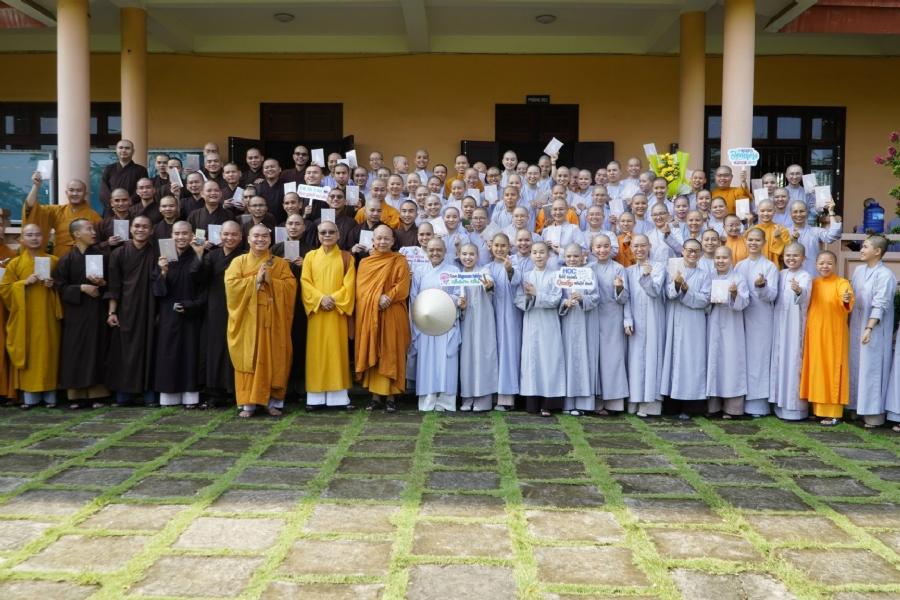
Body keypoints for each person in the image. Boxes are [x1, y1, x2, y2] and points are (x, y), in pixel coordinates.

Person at [226, 225, 297, 417]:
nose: (260, 239)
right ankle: (247, 403)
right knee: (249, 356)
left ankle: (271, 402)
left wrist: (270, 281)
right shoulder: (238, 262)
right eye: (256, 236)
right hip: (248, 320)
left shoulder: (280, 263)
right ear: (248, 239)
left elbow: (291, 287)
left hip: (273, 319)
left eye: (265, 236)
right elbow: (231, 286)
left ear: (270, 240)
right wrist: (255, 281)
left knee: (274, 357)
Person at [0, 224, 63, 409]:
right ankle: (29, 398)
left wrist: (54, 285)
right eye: (30, 235)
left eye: (38, 234)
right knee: (29, 354)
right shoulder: (15, 263)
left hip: (47, 317)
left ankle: (51, 396)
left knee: (48, 354)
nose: (34, 238)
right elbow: (4, 289)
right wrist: (23, 284)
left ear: (44, 239)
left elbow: (64, 286)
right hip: (25, 319)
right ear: (23, 239)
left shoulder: (53, 261)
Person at [301, 221, 357, 412]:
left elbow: (349, 285)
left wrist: (332, 299)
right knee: (316, 354)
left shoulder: (347, 257)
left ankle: (338, 398)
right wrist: (320, 299)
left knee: (337, 352)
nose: (327, 235)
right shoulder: (310, 257)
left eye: (331, 232)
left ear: (338, 235)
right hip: (317, 312)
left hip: (336, 312)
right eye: (323, 232)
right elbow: (305, 283)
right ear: (318, 236)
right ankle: (314, 398)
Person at [355, 225, 410, 412]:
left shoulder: (399, 260)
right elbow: (361, 290)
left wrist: (388, 297)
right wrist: (376, 298)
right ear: (372, 241)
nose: (383, 242)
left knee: (392, 350)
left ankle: (392, 397)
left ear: (393, 241)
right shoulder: (365, 263)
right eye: (379, 238)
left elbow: (403, 285)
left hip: (393, 311)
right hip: (373, 313)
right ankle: (375, 397)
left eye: (387, 238)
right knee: (375, 349)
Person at [55, 219, 109, 410]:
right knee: (75, 351)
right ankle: (75, 395)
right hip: (76, 313)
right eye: (89, 229)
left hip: (97, 311)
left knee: (97, 348)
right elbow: (60, 286)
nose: (93, 232)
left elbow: (112, 284)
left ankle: (97, 394)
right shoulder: (67, 260)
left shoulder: (103, 256)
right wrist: (81, 288)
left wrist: (102, 284)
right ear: (77, 234)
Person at [105, 215, 159, 407]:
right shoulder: (118, 254)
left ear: (152, 231)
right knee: (124, 350)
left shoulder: (157, 253)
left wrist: (159, 312)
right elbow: (114, 284)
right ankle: (124, 395)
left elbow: (163, 284)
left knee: (149, 350)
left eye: (145, 226)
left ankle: (149, 393)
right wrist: (112, 312)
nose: (141, 229)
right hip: (126, 308)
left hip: (150, 308)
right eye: (137, 226)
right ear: (130, 229)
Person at [151, 222, 204, 408]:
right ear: (171, 235)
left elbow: (203, 285)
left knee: (190, 353)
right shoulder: (165, 259)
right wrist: (163, 271)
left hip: (192, 313)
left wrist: (191, 306)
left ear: (192, 235)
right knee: (168, 352)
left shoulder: (197, 256)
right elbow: (157, 291)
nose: (181, 237)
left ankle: (190, 397)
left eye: (185, 233)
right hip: (168, 314)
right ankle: (168, 396)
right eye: (177, 234)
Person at [193, 220, 244, 408]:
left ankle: (240, 391)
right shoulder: (211, 255)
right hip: (215, 306)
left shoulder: (244, 257)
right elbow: (198, 277)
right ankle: (215, 393)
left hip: (239, 308)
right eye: (226, 234)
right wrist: (199, 254)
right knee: (214, 349)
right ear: (220, 236)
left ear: (240, 237)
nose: (230, 238)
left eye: (234, 234)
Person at [800, 251, 854, 426]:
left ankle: (833, 413)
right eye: (821, 263)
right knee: (817, 370)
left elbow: (846, 299)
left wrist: (846, 299)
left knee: (831, 370)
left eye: (829, 263)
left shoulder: (842, 283)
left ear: (836, 265)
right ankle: (817, 410)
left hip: (833, 334)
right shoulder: (813, 283)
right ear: (816, 265)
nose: (825, 266)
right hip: (815, 333)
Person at [848, 236, 896, 428]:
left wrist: (869, 328)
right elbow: (853, 296)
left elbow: (881, 304)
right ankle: (856, 408)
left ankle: (873, 414)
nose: (861, 249)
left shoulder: (885, 275)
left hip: (874, 330)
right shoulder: (859, 270)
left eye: (865, 247)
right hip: (856, 325)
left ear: (877, 251)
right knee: (856, 365)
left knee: (872, 369)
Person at [661, 238, 711, 420]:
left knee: (691, 361)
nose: (692, 254)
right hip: (674, 318)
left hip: (693, 323)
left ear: (701, 254)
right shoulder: (672, 270)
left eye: (696, 251)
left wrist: (687, 290)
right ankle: (671, 405)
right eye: (689, 250)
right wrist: (676, 284)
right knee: (673, 360)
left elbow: (705, 300)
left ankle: (690, 406)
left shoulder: (705, 275)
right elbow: (668, 293)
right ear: (682, 251)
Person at [410, 238, 462, 411]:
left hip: (446, 322)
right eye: (431, 250)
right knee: (427, 361)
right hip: (425, 323)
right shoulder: (420, 271)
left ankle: (446, 401)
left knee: (446, 361)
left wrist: (445, 303)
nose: (435, 253)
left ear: (445, 251)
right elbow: (414, 297)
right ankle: (428, 400)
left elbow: (458, 294)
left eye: (439, 250)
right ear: (426, 251)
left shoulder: (453, 270)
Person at [516, 242, 565, 416]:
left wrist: (538, 295)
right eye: (535, 252)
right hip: (531, 321)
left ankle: (549, 403)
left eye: (541, 252)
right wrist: (528, 298)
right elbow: (518, 300)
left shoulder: (554, 276)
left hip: (549, 323)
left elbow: (556, 300)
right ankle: (532, 402)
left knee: (549, 359)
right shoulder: (525, 275)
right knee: (532, 359)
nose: (538, 256)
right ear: (530, 255)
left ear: (548, 255)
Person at [734, 228, 779, 417]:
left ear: (764, 243)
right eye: (750, 240)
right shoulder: (739, 266)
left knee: (759, 358)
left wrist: (762, 287)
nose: (753, 243)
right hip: (741, 316)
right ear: (745, 242)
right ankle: (739, 401)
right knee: (743, 358)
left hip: (761, 318)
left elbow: (773, 295)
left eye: (757, 240)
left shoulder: (770, 267)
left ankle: (758, 405)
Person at [271, 214, 314, 399]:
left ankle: (301, 385)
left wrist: (305, 265)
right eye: (290, 223)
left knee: (301, 341)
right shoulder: (276, 249)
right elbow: (266, 271)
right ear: (285, 227)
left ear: (304, 228)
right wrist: (280, 266)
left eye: (298, 224)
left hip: (302, 303)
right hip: (280, 303)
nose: (294, 227)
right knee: (281, 342)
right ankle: (283, 384)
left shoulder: (311, 251)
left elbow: (319, 275)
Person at [706, 246, 750, 418]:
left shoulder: (738, 278)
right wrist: (710, 300)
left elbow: (744, 301)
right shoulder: (709, 277)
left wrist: (733, 294)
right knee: (714, 362)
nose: (721, 261)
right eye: (717, 258)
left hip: (732, 325)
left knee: (731, 363)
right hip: (713, 323)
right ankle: (714, 407)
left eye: (724, 258)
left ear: (731, 259)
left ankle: (733, 409)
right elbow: (702, 299)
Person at [770, 243, 813, 420]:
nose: (791, 259)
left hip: (796, 324)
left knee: (794, 361)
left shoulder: (805, 276)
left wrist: (798, 291)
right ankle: (779, 405)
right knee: (780, 361)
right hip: (780, 322)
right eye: (788, 255)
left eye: (795, 256)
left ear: (803, 258)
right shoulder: (781, 274)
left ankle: (795, 408)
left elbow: (805, 296)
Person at [558, 243, 600, 416]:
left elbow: (596, 296)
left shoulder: (589, 274)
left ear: (583, 257)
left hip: (585, 321)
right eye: (569, 256)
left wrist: (583, 299)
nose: (572, 260)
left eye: (576, 256)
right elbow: (556, 296)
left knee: (585, 357)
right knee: (567, 359)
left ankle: (584, 403)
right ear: (564, 258)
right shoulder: (561, 275)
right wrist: (564, 303)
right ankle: (567, 402)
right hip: (567, 321)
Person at [590, 234, 630, 413]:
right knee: (595, 359)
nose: (602, 250)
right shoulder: (588, 268)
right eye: (598, 247)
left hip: (613, 317)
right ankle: (596, 403)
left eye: (606, 246)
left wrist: (619, 288)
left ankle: (614, 403)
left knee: (613, 359)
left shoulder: (619, 268)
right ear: (592, 249)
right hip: (593, 317)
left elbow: (625, 299)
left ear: (612, 248)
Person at [457, 243, 498, 412]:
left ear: (478, 256)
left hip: (483, 320)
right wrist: (461, 306)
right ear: (459, 256)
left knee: (483, 357)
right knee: (466, 359)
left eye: (471, 254)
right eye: (464, 254)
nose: (468, 257)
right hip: (465, 320)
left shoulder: (484, 272)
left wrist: (488, 284)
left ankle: (483, 400)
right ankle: (467, 398)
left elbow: (489, 283)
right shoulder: (457, 276)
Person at [483, 233, 521, 411]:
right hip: (492, 315)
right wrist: (488, 286)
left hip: (510, 315)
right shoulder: (487, 267)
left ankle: (507, 398)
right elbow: (486, 281)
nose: (499, 249)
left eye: (503, 246)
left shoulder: (515, 263)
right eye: (496, 245)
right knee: (493, 353)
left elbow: (517, 280)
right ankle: (492, 395)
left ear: (509, 247)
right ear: (491, 247)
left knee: (507, 352)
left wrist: (509, 270)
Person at [24, 172, 102, 258]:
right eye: (71, 190)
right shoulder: (57, 211)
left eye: (79, 191)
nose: (75, 194)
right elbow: (31, 209)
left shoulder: (94, 216)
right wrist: (36, 186)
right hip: (60, 256)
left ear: (85, 194)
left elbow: (100, 242)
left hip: (83, 257)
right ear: (66, 193)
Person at [788, 200, 843, 278]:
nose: (799, 214)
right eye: (795, 212)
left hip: (812, 274)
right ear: (790, 214)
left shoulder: (815, 231)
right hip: (791, 276)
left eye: (802, 211)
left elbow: (834, 235)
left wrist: (831, 212)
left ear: (807, 212)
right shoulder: (785, 232)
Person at [99, 139, 149, 214]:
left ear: (133, 151)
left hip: (132, 210)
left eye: (127, 148)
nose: (124, 150)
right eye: (121, 148)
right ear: (116, 150)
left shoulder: (140, 170)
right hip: (111, 210)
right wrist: (114, 205)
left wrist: (126, 204)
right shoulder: (109, 169)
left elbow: (141, 190)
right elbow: (103, 191)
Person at [745, 199, 790, 268]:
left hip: (774, 267)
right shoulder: (751, 230)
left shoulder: (782, 230)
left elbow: (786, 254)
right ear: (757, 211)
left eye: (769, 211)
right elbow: (745, 251)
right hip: (753, 267)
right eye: (762, 211)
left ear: (775, 211)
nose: (766, 214)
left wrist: (778, 238)